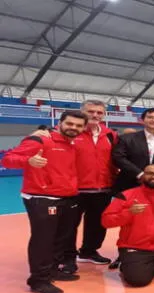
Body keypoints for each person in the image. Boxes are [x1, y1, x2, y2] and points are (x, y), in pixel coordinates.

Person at [1, 110, 88, 293]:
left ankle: (53, 270)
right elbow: (8, 159)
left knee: (60, 239)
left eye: (79, 125)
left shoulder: (73, 144)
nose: (74, 128)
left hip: (66, 196)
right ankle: (38, 280)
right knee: (43, 240)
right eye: (70, 124)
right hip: (42, 197)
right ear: (60, 122)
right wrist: (28, 160)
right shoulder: (40, 140)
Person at [29, 100, 118, 268]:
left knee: (98, 224)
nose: (95, 115)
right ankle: (66, 258)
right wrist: (41, 132)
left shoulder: (110, 135)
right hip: (74, 190)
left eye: (99, 112)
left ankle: (89, 251)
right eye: (90, 111)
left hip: (102, 188)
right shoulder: (68, 133)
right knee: (68, 228)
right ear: (82, 112)